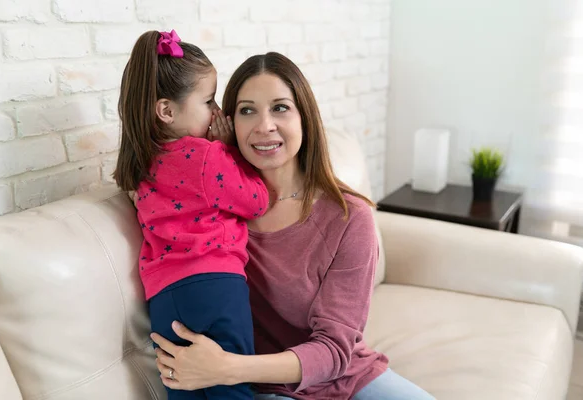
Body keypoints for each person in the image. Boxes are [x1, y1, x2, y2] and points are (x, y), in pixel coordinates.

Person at [149, 52, 436, 400]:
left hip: (343, 375)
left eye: (280, 108)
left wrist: (227, 367)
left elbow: (334, 349)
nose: (264, 125)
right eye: (247, 110)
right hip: (265, 389)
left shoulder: (349, 218)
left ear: (305, 117)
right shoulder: (210, 211)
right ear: (227, 121)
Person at [114, 29, 268, 400]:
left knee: (183, 386)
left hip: (164, 297)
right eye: (209, 101)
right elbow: (257, 201)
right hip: (215, 285)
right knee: (231, 386)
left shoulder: (142, 164)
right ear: (167, 110)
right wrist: (229, 146)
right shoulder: (206, 157)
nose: (218, 112)